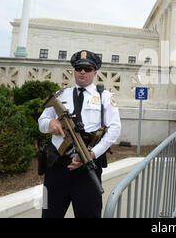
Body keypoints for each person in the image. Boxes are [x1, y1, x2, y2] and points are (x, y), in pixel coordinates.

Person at [38, 50, 121, 218]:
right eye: (79, 68)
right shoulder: (60, 95)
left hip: (87, 168)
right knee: (49, 214)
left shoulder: (105, 97)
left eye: (87, 68)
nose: (83, 72)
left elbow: (114, 130)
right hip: (57, 168)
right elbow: (42, 122)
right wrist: (50, 123)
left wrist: (92, 154)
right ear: (74, 71)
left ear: (95, 72)